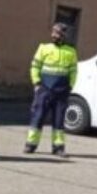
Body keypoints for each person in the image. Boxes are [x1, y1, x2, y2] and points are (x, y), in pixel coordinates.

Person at [25, 22, 79, 157]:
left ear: (64, 35)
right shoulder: (44, 48)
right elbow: (35, 66)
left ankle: (58, 147)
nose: (54, 35)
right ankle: (30, 144)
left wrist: (70, 86)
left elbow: (73, 71)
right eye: (53, 32)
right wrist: (36, 83)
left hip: (62, 91)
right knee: (38, 116)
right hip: (44, 88)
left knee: (59, 120)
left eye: (57, 33)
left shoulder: (71, 52)